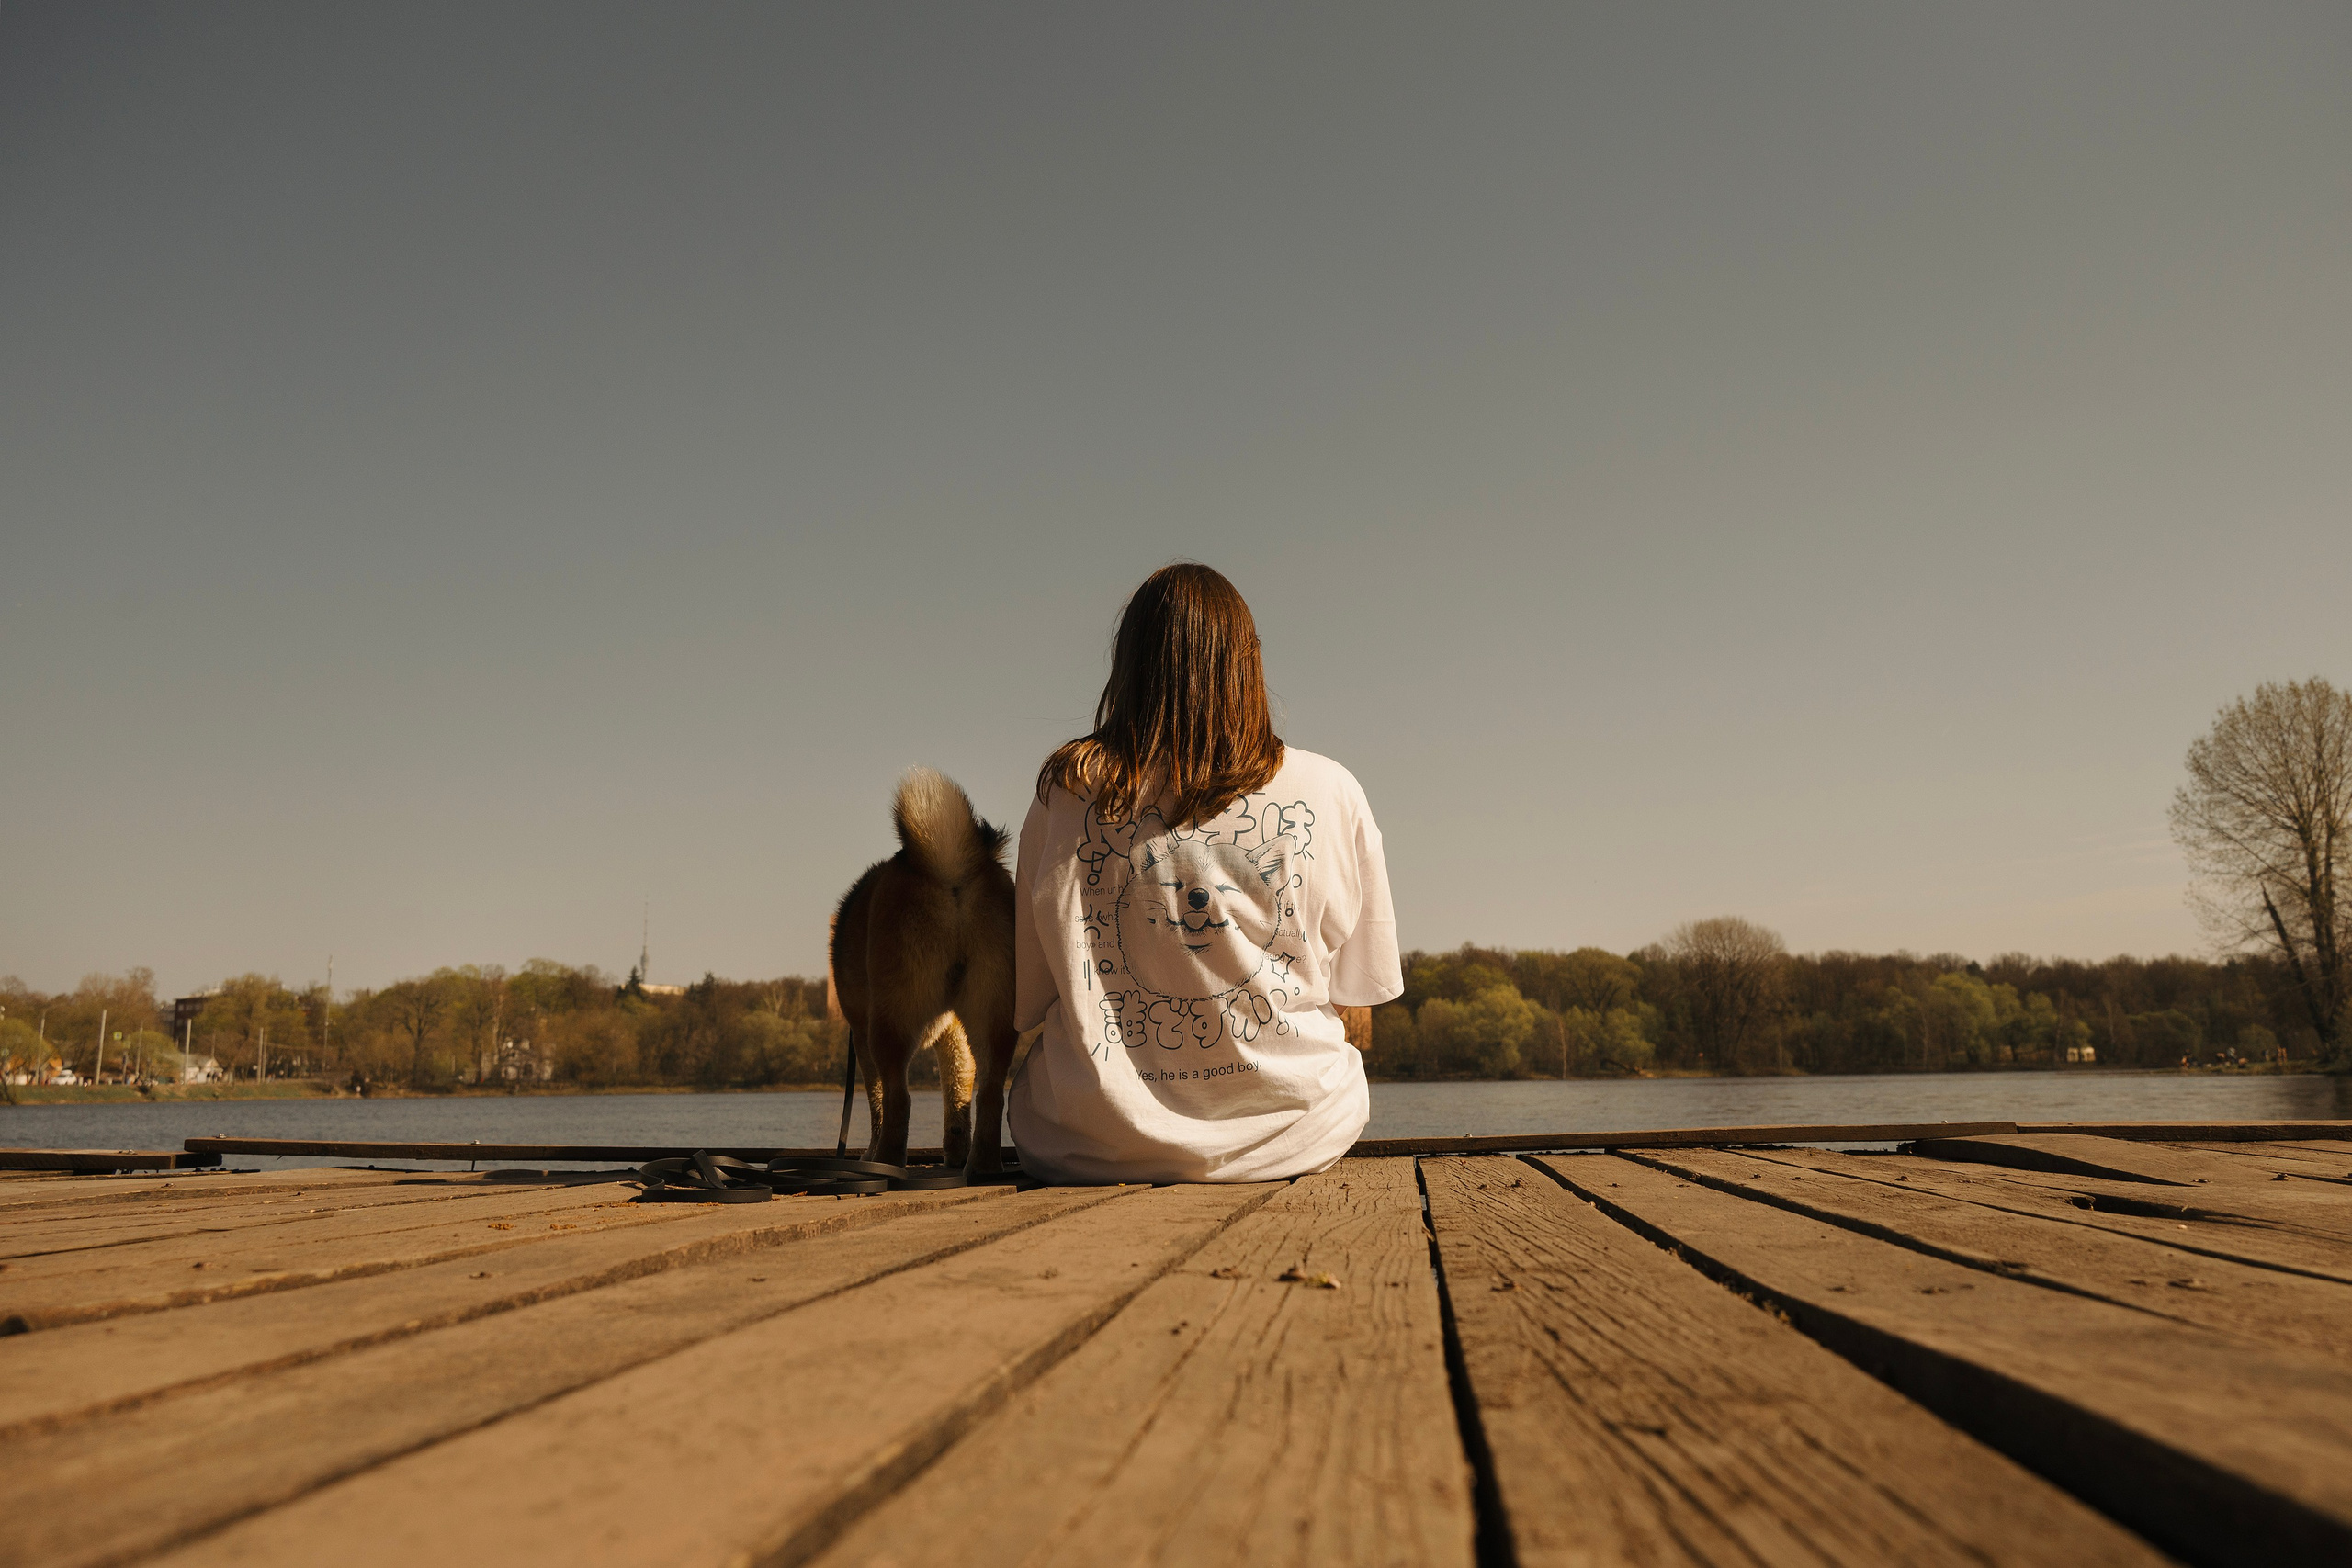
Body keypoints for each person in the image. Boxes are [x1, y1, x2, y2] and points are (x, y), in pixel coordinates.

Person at [1007, 563, 1400, 1183]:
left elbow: (1024, 1000)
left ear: (1128, 666)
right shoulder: (1332, 789)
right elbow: (1360, 999)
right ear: (1249, 664)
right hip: (1297, 1136)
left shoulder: (1065, 797)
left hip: (1084, 1143)